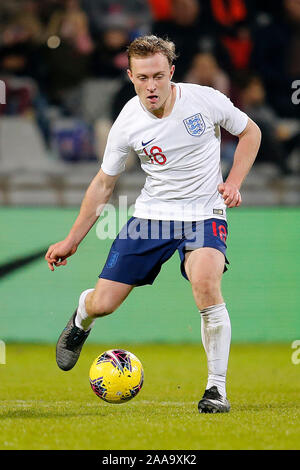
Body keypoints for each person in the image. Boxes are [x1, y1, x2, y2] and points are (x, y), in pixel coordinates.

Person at [45, 35, 261, 414]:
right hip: (152, 218)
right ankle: (83, 315)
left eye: (158, 76)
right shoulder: (127, 122)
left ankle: (216, 389)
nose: (151, 86)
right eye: (143, 77)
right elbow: (103, 185)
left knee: (206, 283)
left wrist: (234, 182)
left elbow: (251, 132)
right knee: (105, 303)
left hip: (204, 213)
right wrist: (71, 239)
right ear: (130, 76)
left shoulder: (204, 100)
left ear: (171, 72)